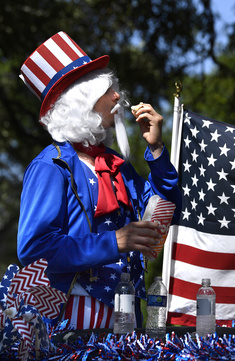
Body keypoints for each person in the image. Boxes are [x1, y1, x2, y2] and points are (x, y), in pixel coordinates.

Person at [17, 31, 182, 329]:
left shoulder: (116, 165)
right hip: (71, 323)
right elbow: (34, 249)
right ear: (83, 100)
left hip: (127, 318)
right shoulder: (50, 165)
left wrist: (156, 150)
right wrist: (114, 241)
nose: (117, 96)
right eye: (108, 90)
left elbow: (163, 212)